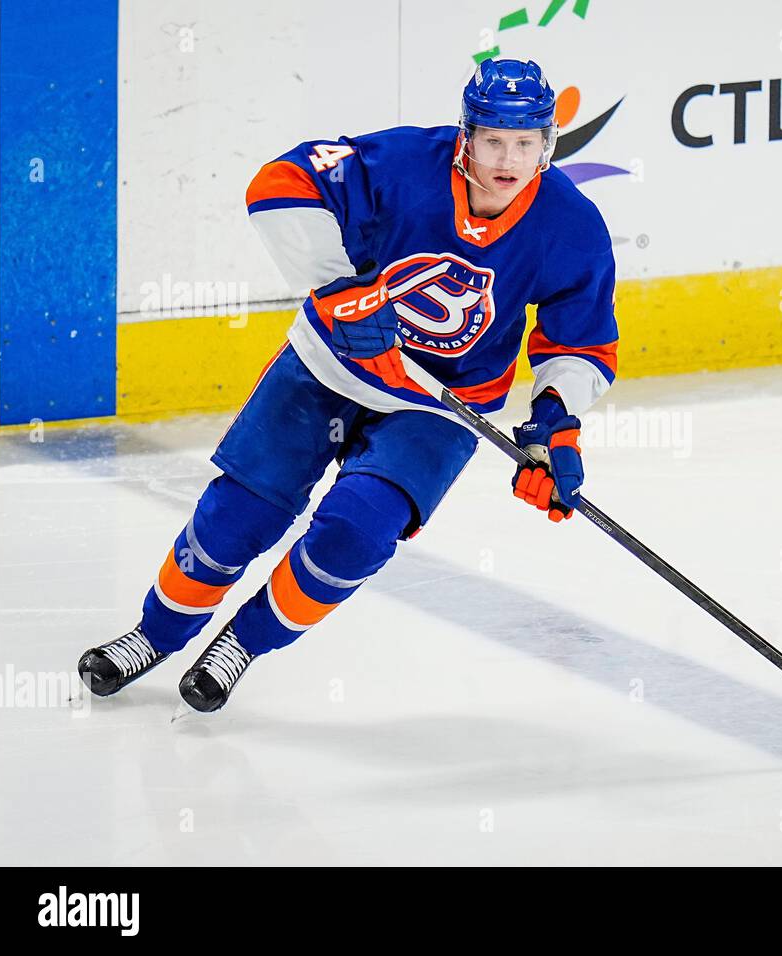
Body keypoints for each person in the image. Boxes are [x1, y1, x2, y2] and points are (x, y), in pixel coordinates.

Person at [77, 58, 619, 713]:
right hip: (330, 364)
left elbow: (579, 339)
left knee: (357, 532)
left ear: (547, 145)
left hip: (440, 406)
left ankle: (242, 644)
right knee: (242, 515)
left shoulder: (571, 226)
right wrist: (342, 293)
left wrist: (554, 427)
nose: (507, 160)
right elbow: (279, 183)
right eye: (493, 140)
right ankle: (155, 635)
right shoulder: (403, 164)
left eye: (526, 144)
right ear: (466, 135)